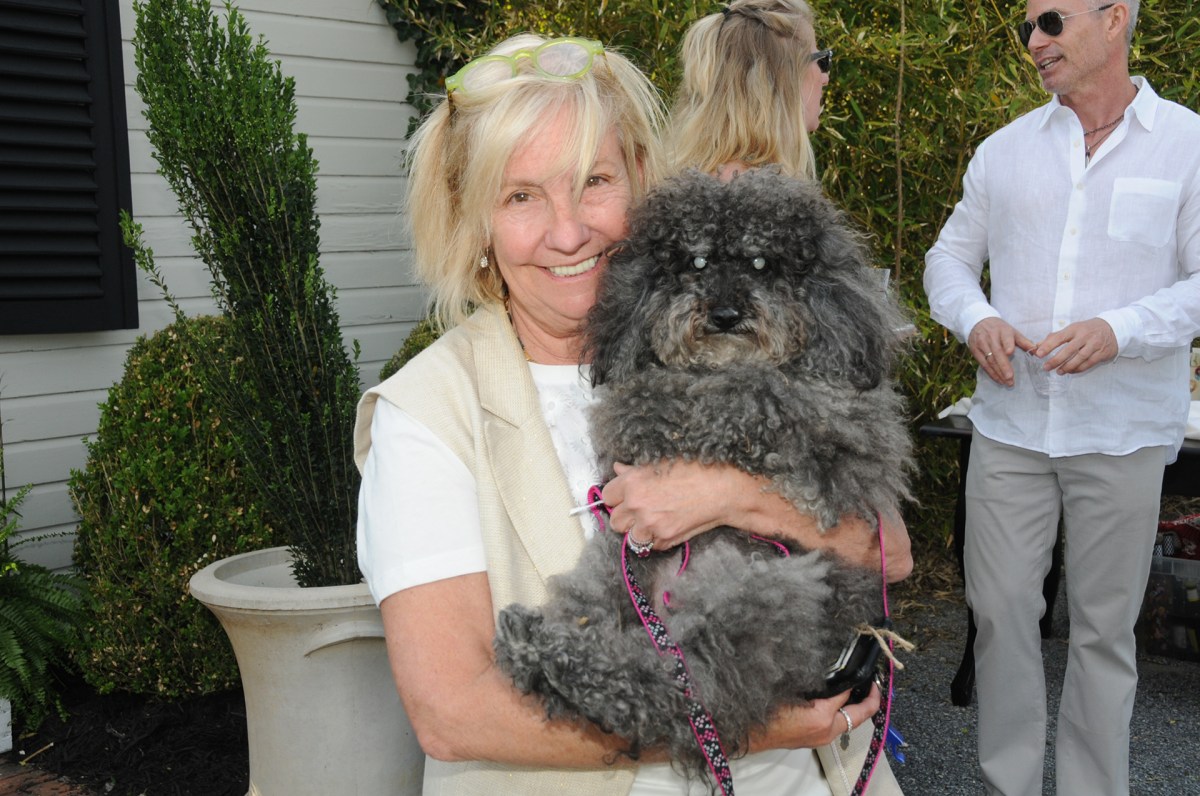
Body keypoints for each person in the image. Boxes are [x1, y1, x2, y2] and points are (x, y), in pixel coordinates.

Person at [354, 32, 908, 796]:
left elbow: (889, 554)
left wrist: (734, 497)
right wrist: (753, 725)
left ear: (641, 181)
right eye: (521, 196)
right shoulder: (426, 416)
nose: (569, 231)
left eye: (594, 181)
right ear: (475, 223)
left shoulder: (720, 344)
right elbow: (452, 715)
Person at [923, 2, 1200, 793]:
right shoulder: (1004, 149)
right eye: (1026, 29)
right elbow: (947, 260)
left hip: (1124, 430)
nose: (1034, 42)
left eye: (1049, 21)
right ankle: (1007, 785)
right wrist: (975, 318)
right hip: (1009, 426)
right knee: (999, 612)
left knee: (1104, 632)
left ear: (1114, 19)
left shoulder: (1188, 144)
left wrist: (1120, 329)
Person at [668, 0, 831, 181]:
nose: (825, 78)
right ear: (782, 79)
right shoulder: (774, 196)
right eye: (823, 60)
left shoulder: (674, 187)